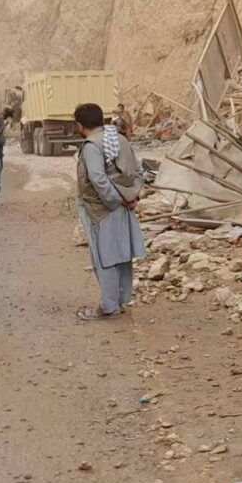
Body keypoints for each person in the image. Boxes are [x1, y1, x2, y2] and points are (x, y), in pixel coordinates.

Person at [74, 103, 145, 320]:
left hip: (102, 210)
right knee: (122, 254)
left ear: (80, 126)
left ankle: (108, 306)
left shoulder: (91, 146)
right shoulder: (120, 140)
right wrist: (131, 197)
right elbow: (139, 171)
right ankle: (121, 300)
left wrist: (115, 200)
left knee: (105, 257)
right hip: (124, 206)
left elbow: (97, 178)